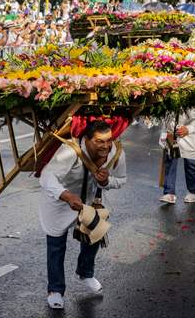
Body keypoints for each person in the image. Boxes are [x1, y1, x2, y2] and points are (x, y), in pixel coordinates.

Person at [39, 120, 126, 309]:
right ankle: (55, 290)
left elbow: (122, 179)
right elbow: (47, 176)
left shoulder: (116, 152)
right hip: (60, 201)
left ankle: (85, 273)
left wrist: (106, 182)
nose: (105, 146)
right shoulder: (70, 151)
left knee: (94, 236)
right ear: (86, 139)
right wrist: (67, 196)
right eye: (99, 141)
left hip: (90, 200)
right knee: (56, 245)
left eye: (108, 140)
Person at [159, 109, 195, 204]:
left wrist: (188, 129)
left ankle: (194, 192)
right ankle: (169, 192)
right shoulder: (169, 97)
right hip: (171, 131)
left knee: (192, 163)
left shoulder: (193, 101)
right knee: (170, 160)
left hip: (190, 136)